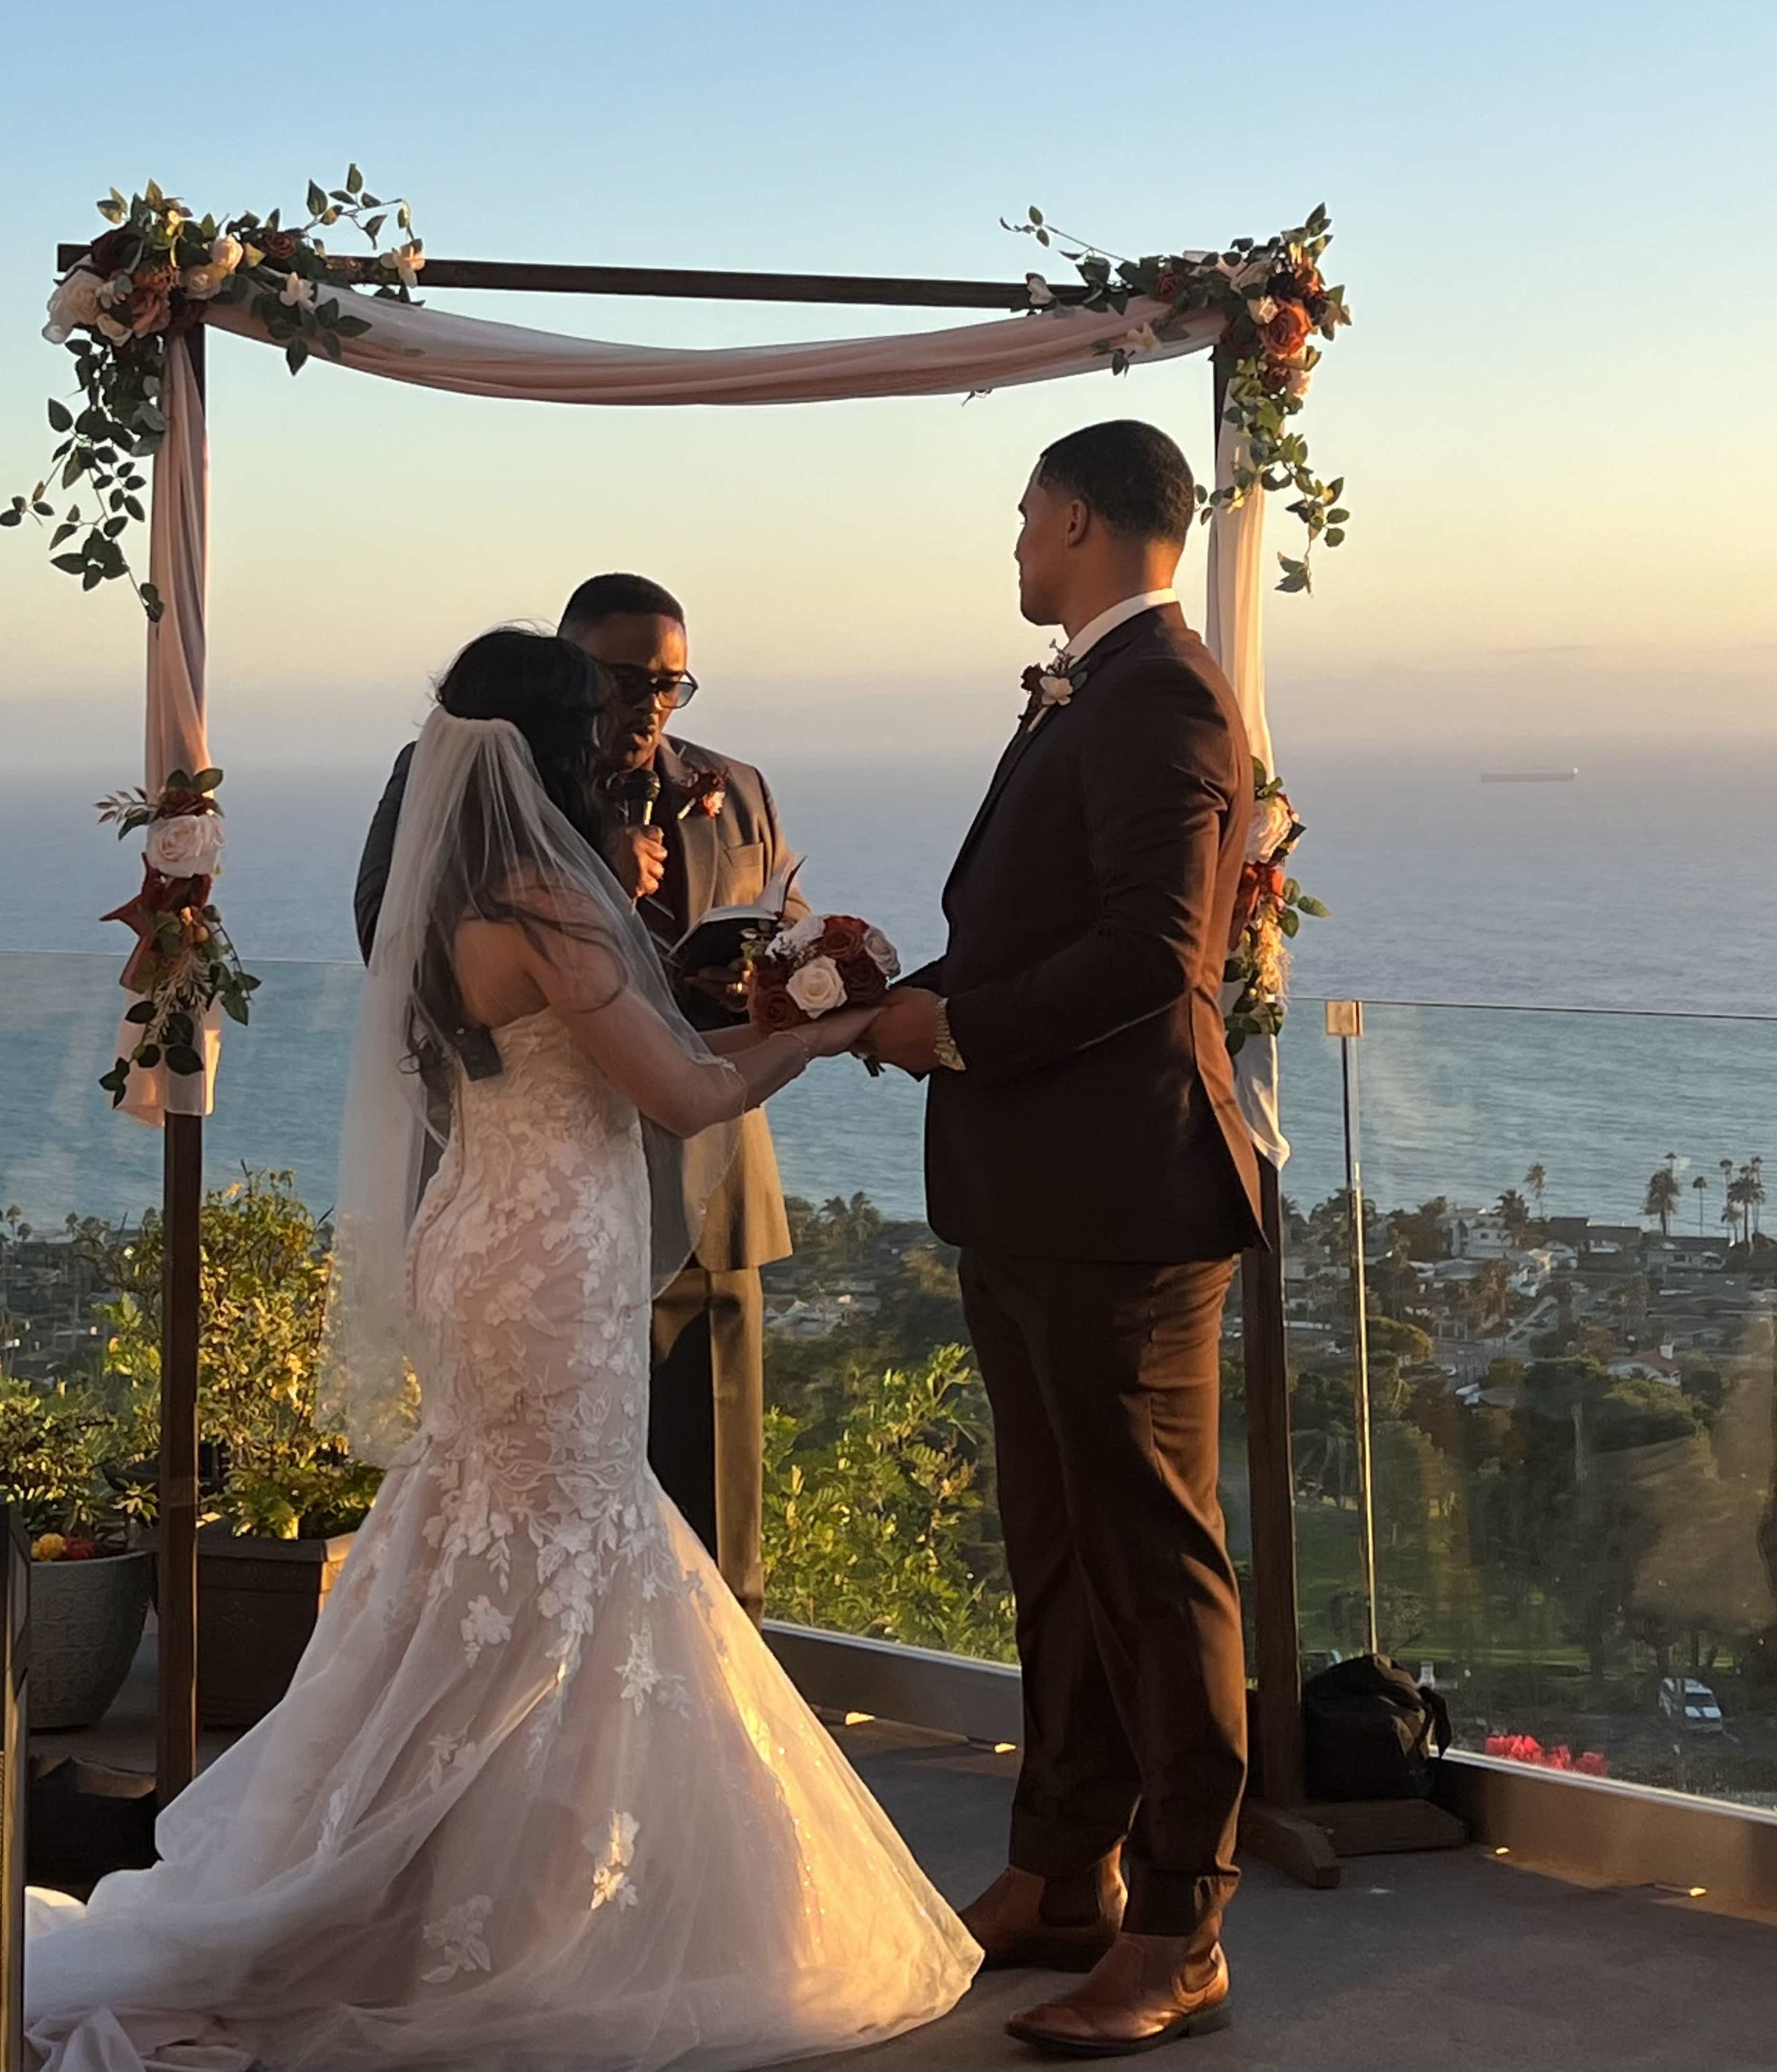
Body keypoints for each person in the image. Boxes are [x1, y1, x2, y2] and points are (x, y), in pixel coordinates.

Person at [28, 628, 978, 2072]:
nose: (625, 747)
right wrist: (833, 1026)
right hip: (552, 1254)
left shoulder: (454, 893)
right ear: (553, 752)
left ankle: (430, 1871)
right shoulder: (552, 896)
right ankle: (517, 1912)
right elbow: (684, 1089)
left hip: (479, 1229)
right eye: (604, 728)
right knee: (564, 1541)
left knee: (488, 1543)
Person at [867, 419, 1262, 2060]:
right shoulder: (1091, 691)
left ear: (1083, 517)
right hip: (1033, 1196)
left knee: (1154, 1563)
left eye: (1028, 514)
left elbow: (1150, 954)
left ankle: (1182, 1921)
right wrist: (903, 994)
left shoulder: (1159, 691)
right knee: (1058, 1549)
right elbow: (1043, 922)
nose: (1016, 542)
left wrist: (949, 1033)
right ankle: (1064, 1866)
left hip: (1123, 1206)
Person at [355, 574, 801, 1621]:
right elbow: (395, 940)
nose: (646, 706)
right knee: (540, 1506)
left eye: (671, 683)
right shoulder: (455, 781)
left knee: (705, 1512)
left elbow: (777, 921)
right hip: (540, 1221)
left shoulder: (735, 788)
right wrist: (595, 884)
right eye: (623, 680)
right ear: (571, 673)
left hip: (704, 1194)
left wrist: (774, 977)